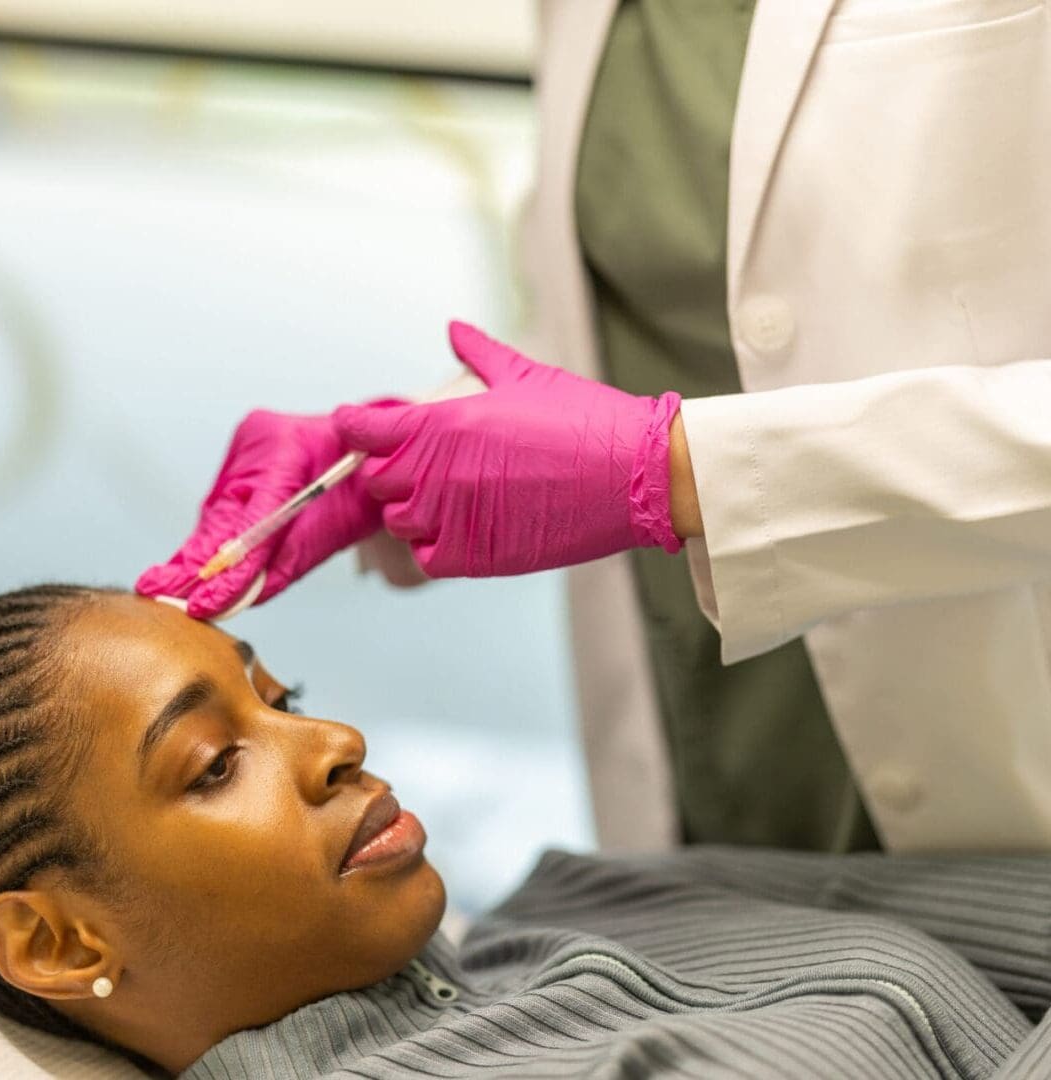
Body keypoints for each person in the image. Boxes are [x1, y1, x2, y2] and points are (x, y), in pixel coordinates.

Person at [138, 2, 1051, 860]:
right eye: (214, 762)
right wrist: (398, 454)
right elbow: (646, 322)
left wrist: (682, 471)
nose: (336, 745)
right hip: (708, 766)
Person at [0, 583, 1051, 1079]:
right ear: (60, 946)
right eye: (216, 762)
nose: (334, 739)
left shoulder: (592, 897)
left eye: (282, 694)